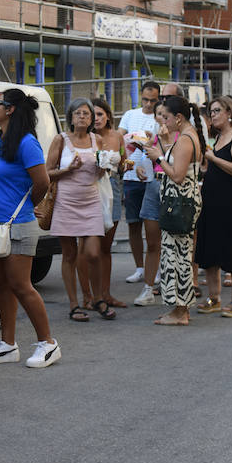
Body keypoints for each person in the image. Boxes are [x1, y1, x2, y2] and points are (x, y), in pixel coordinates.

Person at [0, 88, 60, 368]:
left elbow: (42, 182)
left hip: (18, 225)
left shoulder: (26, 142)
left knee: (22, 286)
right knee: (3, 287)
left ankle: (48, 343)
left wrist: (26, 206)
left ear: (10, 109)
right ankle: (7, 344)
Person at [140, 95, 204, 325]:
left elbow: (177, 175)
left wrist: (158, 158)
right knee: (176, 253)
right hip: (179, 201)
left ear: (178, 117)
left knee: (178, 256)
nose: (163, 121)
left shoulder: (186, 138)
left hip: (180, 202)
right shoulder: (186, 136)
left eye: (166, 117)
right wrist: (163, 146)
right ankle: (179, 308)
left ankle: (180, 311)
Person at [46, 98, 109, 322]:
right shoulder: (60, 140)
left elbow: (100, 173)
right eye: (78, 113)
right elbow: (47, 172)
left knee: (93, 253)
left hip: (90, 201)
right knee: (70, 254)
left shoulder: (97, 140)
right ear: (71, 118)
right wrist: (68, 169)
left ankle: (98, 298)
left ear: (91, 119)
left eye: (86, 114)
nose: (82, 117)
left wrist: (105, 167)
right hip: (66, 201)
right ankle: (74, 304)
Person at [193, 97, 232, 317]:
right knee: (209, 249)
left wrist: (212, 158)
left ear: (229, 113)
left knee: (231, 247)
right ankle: (214, 297)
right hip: (211, 199)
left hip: (229, 201)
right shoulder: (217, 137)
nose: (213, 115)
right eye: (211, 111)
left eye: (217, 110)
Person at [118, 81, 161, 303]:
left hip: (154, 177)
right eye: (145, 99)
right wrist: (129, 144)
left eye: (153, 100)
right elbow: (119, 137)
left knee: (154, 228)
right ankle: (139, 268)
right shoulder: (130, 114)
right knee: (133, 223)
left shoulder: (161, 117)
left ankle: (156, 269)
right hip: (131, 177)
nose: (149, 104)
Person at [90, 97, 127, 309]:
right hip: (91, 188)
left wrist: (129, 165)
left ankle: (106, 293)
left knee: (106, 247)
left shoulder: (117, 136)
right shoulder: (85, 137)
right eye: (93, 114)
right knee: (89, 248)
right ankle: (89, 295)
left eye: (100, 114)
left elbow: (123, 161)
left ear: (108, 116)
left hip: (112, 186)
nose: (96, 118)